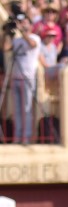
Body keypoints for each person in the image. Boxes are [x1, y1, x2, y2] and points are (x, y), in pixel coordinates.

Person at [3, 14, 41, 144]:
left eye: (25, 22)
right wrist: (7, 33)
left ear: (30, 25)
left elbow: (32, 44)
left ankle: (27, 137)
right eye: (20, 22)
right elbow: (5, 48)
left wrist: (22, 31)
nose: (22, 24)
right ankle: (18, 137)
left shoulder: (35, 37)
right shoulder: (17, 40)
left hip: (28, 78)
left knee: (27, 108)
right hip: (16, 78)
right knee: (17, 110)